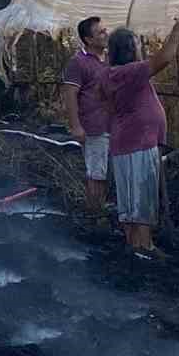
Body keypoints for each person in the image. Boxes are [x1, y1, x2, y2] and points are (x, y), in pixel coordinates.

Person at [100, 16, 179, 257]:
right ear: (130, 50)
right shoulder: (131, 71)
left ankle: (132, 244)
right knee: (143, 195)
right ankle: (145, 247)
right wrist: (177, 30)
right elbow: (164, 59)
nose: (140, 49)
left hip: (122, 142)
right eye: (137, 45)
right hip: (140, 142)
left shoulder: (108, 75)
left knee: (129, 198)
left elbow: (106, 107)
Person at [61, 16, 111, 215]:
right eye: (101, 32)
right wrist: (76, 126)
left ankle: (101, 208)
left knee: (105, 172)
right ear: (88, 39)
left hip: (113, 125)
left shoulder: (108, 59)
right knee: (96, 173)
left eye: (105, 30)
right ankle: (94, 214)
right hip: (94, 127)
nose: (106, 34)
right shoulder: (78, 62)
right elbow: (70, 94)